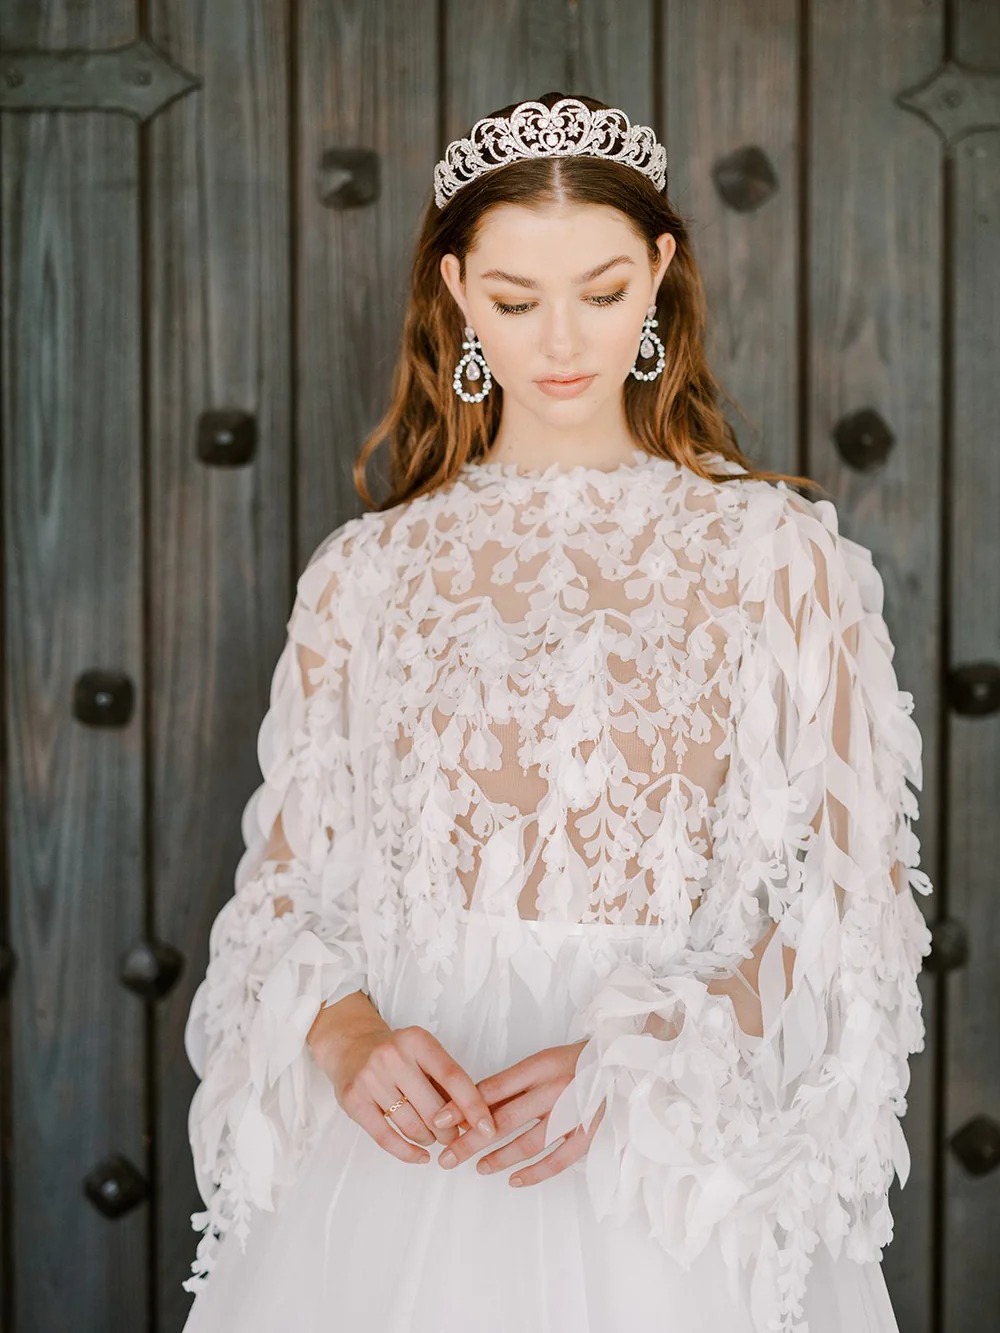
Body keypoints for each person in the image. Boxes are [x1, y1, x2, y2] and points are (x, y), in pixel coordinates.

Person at [179, 92, 933, 1333]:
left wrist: (649, 1062)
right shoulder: (365, 574)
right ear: (458, 290)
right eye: (518, 301)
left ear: (660, 274)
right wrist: (346, 1026)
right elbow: (281, 887)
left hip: (662, 1170)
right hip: (399, 1166)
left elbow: (850, 902)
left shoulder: (776, 555)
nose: (562, 340)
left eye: (601, 289)